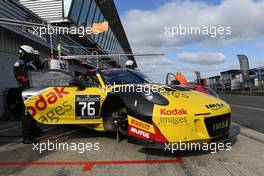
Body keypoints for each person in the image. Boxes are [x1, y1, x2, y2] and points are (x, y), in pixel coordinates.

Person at [13, 45, 42, 144]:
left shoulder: (29, 64)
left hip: (32, 90)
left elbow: (38, 73)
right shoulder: (18, 65)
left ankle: (33, 132)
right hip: (26, 91)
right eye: (28, 55)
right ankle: (27, 137)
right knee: (26, 115)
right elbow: (24, 79)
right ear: (22, 54)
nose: (30, 57)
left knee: (33, 113)